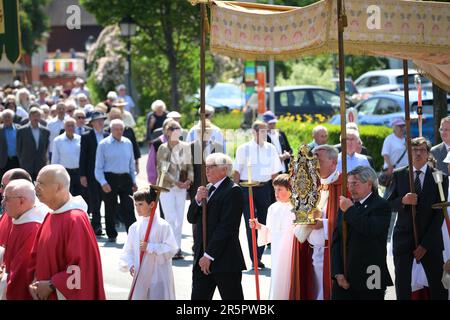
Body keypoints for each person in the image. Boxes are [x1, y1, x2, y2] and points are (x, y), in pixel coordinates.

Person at [29, 164, 105, 300]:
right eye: (36, 183)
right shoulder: (50, 215)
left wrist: (52, 285)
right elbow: (37, 256)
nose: (36, 188)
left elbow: (81, 268)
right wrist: (35, 283)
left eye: (41, 184)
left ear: (58, 187)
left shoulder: (75, 220)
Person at [386, 137, 448, 300]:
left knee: (438, 285)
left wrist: (425, 245)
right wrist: (403, 201)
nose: (418, 153)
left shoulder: (439, 177)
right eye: (414, 150)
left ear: (428, 154)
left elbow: (439, 213)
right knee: (403, 285)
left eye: (422, 150)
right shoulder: (399, 175)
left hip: (430, 241)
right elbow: (388, 203)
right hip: (404, 238)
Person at [187, 153, 246, 300]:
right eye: (206, 167)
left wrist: (209, 255)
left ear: (224, 170)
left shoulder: (233, 190)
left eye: (211, 167)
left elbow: (226, 227)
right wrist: (197, 200)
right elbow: (191, 218)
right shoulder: (206, 189)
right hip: (202, 259)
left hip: (224, 260)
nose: (207, 170)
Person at [290, 145, 343, 300]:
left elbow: (347, 220)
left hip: (332, 251)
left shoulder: (343, 185)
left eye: (318, 159)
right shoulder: (313, 185)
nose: (313, 163)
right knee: (313, 289)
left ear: (333, 163)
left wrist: (324, 224)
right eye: (312, 159)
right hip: (312, 248)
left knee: (326, 291)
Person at [331, 166, 393, 300]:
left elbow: (370, 229)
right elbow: (337, 240)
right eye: (348, 184)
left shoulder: (381, 205)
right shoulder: (346, 205)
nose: (350, 187)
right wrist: (337, 272)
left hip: (371, 273)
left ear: (369, 184)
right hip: (344, 276)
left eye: (355, 184)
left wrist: (350, 210)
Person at [233, 121, 283, 269]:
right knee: (251, 223)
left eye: (265, 131)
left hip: (264, 188)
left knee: (265, 222)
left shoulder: (271, 149)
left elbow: (275, 172)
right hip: (246, 188)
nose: (264, 134)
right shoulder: (244, 148)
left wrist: (278, 192)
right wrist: (233, 192)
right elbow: (236, 171)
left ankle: (259, 255)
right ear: (254, 132)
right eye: (261, 131)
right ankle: (254, 258)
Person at [119, 188, 177, 300]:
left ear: (152, 204)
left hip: (159, 276)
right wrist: (131, 265)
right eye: (135, 204)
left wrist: (150, 247)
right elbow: (128, 251)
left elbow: (171, 248)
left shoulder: (163, 226)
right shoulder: (134, 228)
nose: (137, 208)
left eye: (140, 204)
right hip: (141, 276)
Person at [249, 174, 295, 300]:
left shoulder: (296, 209)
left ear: (290, 190)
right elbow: (270, 233)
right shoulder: (272, 208)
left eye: (280, 189)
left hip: (291, 251)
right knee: (278, 281)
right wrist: (259, 227)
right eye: (275, 189)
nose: (276, 192)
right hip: (277, 251)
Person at [1, 180, 46, 299]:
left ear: (21, 201)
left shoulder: (32, 227)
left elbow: (21, 273)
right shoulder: (20, 219)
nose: (3, 202)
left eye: (7, 198)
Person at [95, 119, 137, 241]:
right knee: (110, 207)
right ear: (111, 130)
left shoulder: (128, 143)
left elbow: (131, 164)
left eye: (121, 129)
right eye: (116, 129)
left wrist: (133, 180)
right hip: (110, 178)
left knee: (129, 206)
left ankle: (132, 234)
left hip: (125, 178)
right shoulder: (103, 144)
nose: (119, 132)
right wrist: (103, 182)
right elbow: (98, 167)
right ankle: (111, 234)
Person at [157, 119, 193, 259]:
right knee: (170, 218)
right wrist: (175, 181)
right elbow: (162, 168)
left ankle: (177, 248)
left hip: (182, 187)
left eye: (177, 129)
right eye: (172, 129)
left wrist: (189, 180)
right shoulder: (163, 148)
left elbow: (189, 166)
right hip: (168, 187)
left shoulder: (185, 146)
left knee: (179, 219)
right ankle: (171, 247)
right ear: (167, 132)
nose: (175, 132)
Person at [79, 112, 108, 236]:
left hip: (106, 173)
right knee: (95, 200)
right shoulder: (86, 136)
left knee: (106, 199)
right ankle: (96, 226)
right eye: (98, 120)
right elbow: (83, 156)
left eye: (102, 120)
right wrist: (82, 175)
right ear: (92, 123)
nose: (101, 123)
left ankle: (109, 224)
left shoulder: (107, 135)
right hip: (91, 173)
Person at [51, 118, 83, 197]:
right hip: (65, 172)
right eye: (68, 126)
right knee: (65, 196)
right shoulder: (58, 140)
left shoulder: (80, 139)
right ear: (64, 127)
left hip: (78, 172)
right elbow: (55, 159)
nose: (71, 128)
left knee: (79, 195)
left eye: (73, 126)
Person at [16, 107, 50, 181]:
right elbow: (18, 149)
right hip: (26, 165)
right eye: (33, 115)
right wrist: (22, 162)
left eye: (38, 115)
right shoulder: (21, 131)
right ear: (29, 117)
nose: (36, 118)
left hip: (40, 165)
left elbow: (46, 148)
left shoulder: (46, 131)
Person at [0, 110, 20, 179]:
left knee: (16, 181)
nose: (7, 119)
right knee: (3, 182)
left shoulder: (19, 129)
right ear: (2, 118)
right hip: (3, 161)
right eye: (5, 117)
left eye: (9, 117)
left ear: (12, 118)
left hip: (17, 160)